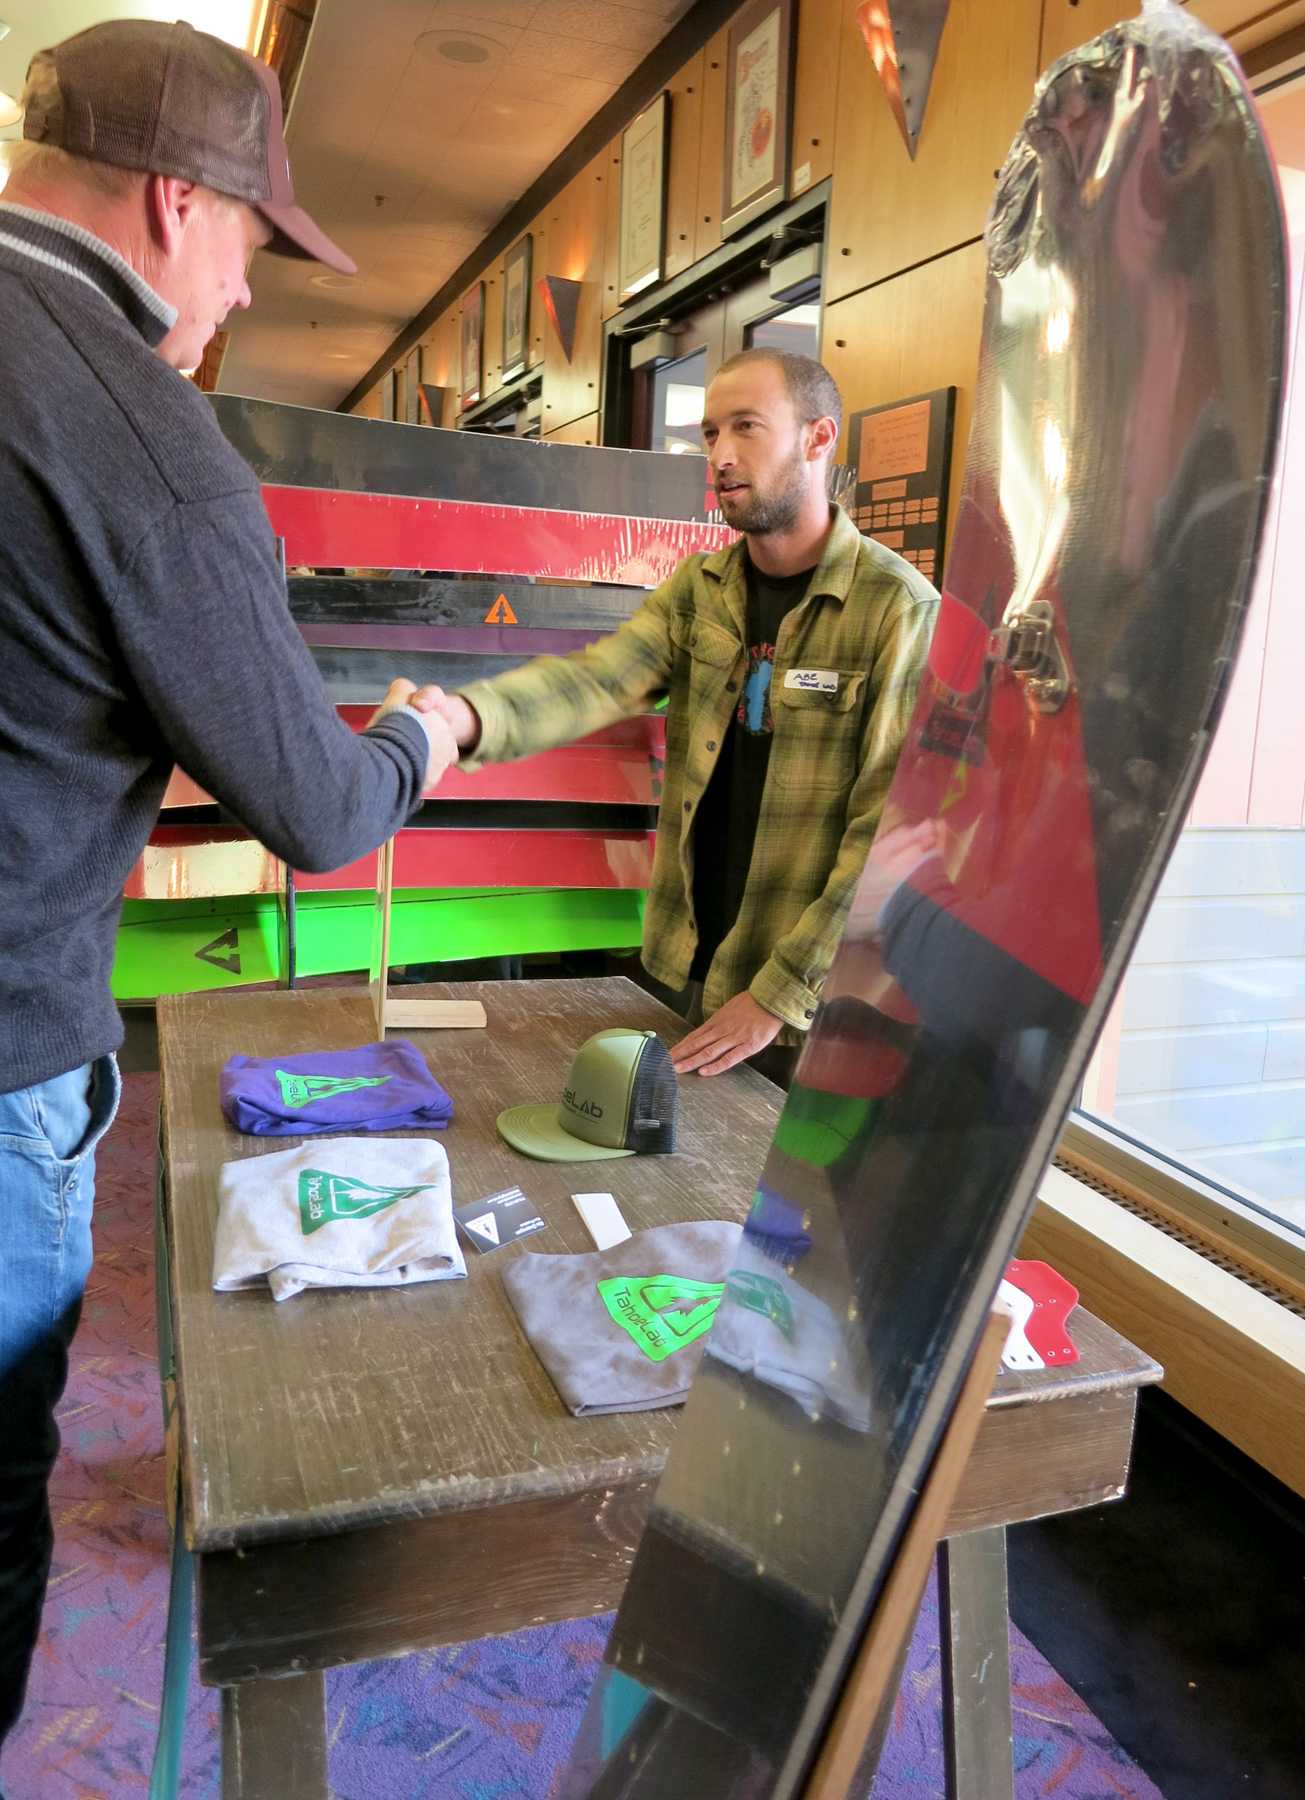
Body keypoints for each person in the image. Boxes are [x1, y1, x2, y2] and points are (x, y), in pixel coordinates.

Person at [0, 21, 459, 1755]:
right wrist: (423, 731)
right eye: (255, 243)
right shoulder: (140, 427)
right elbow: (323, 808)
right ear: (177, 204)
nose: (250, 292)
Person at [424, 350, 939, 1085]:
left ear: (819, 439)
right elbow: (599, 681)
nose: (720, 456)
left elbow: (885, 836)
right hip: (682, 965)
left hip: (805, 1014)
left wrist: (777, 995)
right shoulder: (700, 587)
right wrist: (460, 719)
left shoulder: (897, 609)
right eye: (708, 434)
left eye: (747, 428)